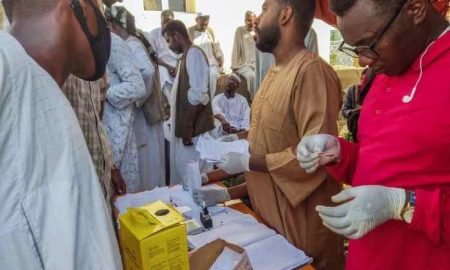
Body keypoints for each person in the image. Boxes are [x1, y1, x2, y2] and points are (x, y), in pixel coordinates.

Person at [297, 0, 450, 269]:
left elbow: (395, 190)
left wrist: (402, 205)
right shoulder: (384, 70)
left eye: (370, 44)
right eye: (356, 49)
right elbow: (382, 166)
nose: (363, 60)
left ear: (415, 8)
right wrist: (338, 154)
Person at [194, 1, 345, 269]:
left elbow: (313, 158)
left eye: (265, 9)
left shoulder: (310, 73)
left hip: (302, 234)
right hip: (267, 228)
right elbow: (270, 144)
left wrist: (247, 162)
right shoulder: (273, 74)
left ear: (285, 14)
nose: (257, 19)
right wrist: (228, 191)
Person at [0, 0, 121, 268]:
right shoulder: (6, 65)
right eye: (99, 5)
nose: (103, 17)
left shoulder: (42, 89)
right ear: (77, 6)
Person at [108, 6, 166, 190]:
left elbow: (147, 72)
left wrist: (135, 99)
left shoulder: (131, 44)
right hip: (144, 115)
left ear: (114, 26)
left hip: (143, 116)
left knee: (148, 166)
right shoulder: (135, 41)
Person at [163, 20, 215, 185]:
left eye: (169, 41)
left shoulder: (194, 54)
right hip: (189, 131)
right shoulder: (185, 57)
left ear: (177, 36)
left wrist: (188, 128)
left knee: (194, 178)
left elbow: (199, 95)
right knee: (186, 176)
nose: (169, 46)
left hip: (194, 133)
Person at [62, 75, 127, 203]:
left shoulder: (98, 69)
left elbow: (97, 121)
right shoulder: (50, 69)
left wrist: (111, 167)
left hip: (100, 171)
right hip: (71, 179)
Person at [103, 13, 146, 193]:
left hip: (119, 140)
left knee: (125, 205)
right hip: (100, 140)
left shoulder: (112, 42)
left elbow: (137, 86)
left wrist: (104, 92)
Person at [255, 27, 319, 91]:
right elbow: (258, 71)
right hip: (265, 95)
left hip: (294, 96)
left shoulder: (309, 34)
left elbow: (313, 75)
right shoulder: (260, 34)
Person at [188, 12, 224, 98]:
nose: (205, 22)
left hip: (211, 63)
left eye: (207, 20)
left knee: (212, 75)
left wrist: (219, 57)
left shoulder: (210, 31)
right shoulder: (190, 31)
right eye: (203, 20)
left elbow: (216, 46)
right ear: (196, 20)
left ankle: (210, 103)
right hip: (196, 64)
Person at [146, 9, 180, 98]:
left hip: (176, 64)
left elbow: (181, 55)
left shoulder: (178, 34)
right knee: (162, 72)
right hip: (161, 64)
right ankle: (172, 102)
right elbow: (153, 56)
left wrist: (177, 67)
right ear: (161, 22)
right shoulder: (153, 34)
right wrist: (167, 66)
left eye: (169, 22)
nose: (166, 25)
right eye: (164, 22)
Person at [231, 11, 257, 98]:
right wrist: (234, 67)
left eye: (251, 20)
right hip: (244, 65)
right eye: (247, 20)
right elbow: (236, 48)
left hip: (256, 64)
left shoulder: (258, 31)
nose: (249, 23)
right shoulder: (240, 30)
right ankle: (254, 99)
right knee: (252, 76)